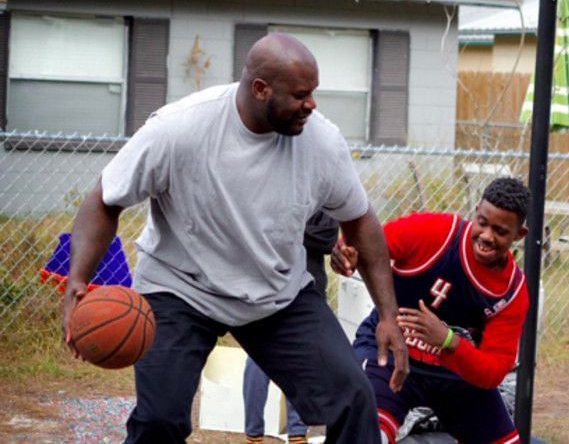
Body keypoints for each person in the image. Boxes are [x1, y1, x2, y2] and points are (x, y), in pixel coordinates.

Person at [62, 33, 408, 443]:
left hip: (274, 293)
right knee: (159, 421)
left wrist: (388, 314)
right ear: (261, 89)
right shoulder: (180, 130)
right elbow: (103, 201)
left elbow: (361, 222)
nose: (311, 105)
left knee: (353, 398)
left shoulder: (321, 142)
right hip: (181, 289)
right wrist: (77, 282)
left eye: (313, 93)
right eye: (300, 95)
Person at [333, 177, 532, 444]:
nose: (486, 236)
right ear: (475, 212)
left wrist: (448, 340)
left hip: (452, 370)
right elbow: (366, 241)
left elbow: (493, 372)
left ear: (519, 235)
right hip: (392, 351)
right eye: (482, 223)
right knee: (369, 434)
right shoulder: (438, 231)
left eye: (500, 231)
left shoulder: (512, 292)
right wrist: (345, 252)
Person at [243, 211, 338, 444]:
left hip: (304, 285)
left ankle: (296, 433)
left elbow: (328, 238)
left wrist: (286, 229)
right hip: (271, 284)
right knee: (259, 359)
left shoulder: (318, 194)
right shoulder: (313, 190)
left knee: (298, 360)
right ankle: (254, 432)